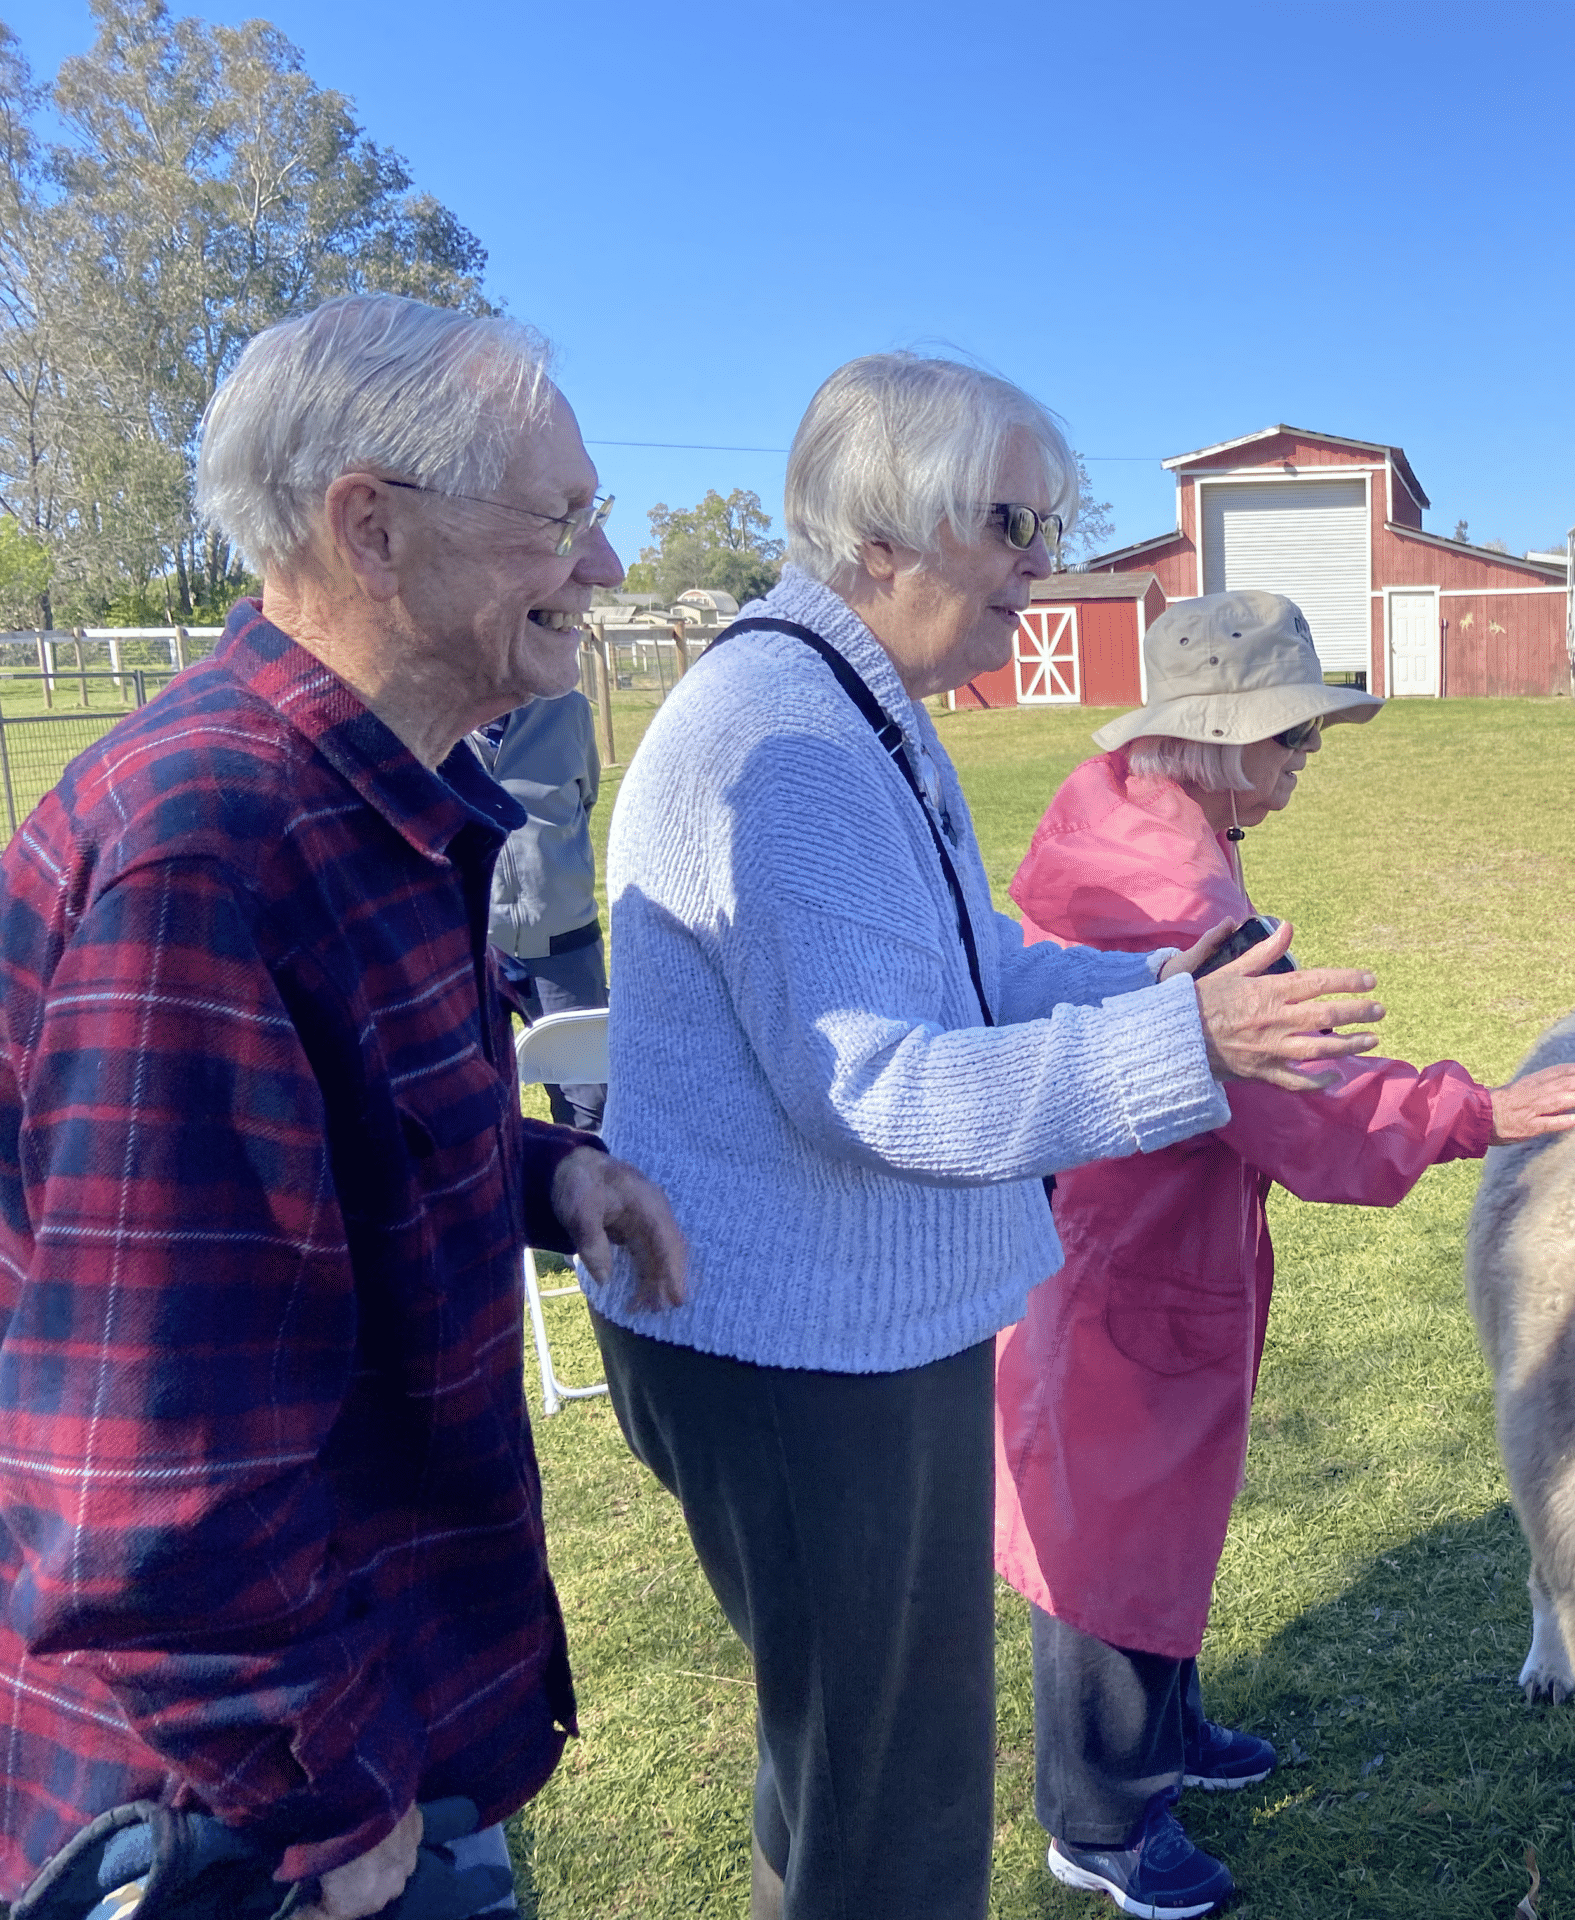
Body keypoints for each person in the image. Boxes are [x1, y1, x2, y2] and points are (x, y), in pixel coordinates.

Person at [587, 354, 1387, 1920]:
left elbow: (973, 969)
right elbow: (882, 1088)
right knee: (893, 1816)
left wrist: (1152, 980)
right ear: (880, 535)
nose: (1043, 564)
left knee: (849, 1775)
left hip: (842, 1341)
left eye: (1050, 522)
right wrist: (1189, 1042)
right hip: (804, 1363)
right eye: (1014, 522)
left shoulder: (853, 702)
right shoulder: (797, 740)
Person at [0, 295, 688, 1918]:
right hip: (255, 1812)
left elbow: (321, 1156)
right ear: (371, 528)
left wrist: (551, 1180)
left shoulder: (362, 808)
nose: (599, 567)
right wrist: (315, 1813)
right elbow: (139, 1471)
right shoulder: (211, 855)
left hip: (373, 1722)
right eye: (562, 516)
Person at [993, 588, 1575, 1918]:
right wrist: (1481, 1112)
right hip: (1129, 1250)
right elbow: (1301, 1104)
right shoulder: (1170, 890)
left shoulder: (1144, 825)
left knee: (1151, 1503)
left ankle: (1163, 1740)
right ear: (1218, 739)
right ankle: (1098, 1820)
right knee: (1103, 1528)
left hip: (1142, 1234)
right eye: (1293, 738)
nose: (1304, 763)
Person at [474, 687, 609, 1130]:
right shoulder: (435, 719)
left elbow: (584, 799)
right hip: (473, 949)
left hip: (565, 942)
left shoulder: (567, 709)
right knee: (476, 1102)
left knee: (591, 1100)